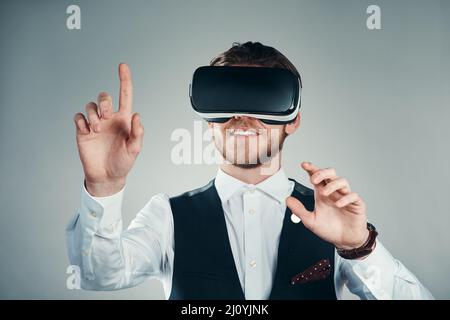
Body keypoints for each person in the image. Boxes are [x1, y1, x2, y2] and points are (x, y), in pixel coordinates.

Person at [66, 41, 433, 299]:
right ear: (209, 120)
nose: (243, 117)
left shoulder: (334, 218)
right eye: (228, 100)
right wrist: (105, 186)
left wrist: (359, 248)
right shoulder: (169, 216)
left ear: (293, 120)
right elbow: (96, 274)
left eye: (263, 100)